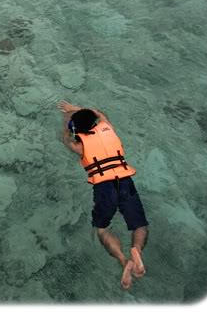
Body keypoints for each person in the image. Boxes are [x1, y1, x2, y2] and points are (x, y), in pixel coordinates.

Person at [57, 101, 148, 290]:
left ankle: (124, 261)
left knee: (102, 230)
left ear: (77, 130)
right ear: (96, 122)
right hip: (124, 181)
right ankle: (136, 250)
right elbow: (100, 112)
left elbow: (64, 137)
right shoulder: (108, 128)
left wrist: (66, 119)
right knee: (139, 226)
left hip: (104, 188)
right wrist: (75, 108)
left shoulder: (79, 147)